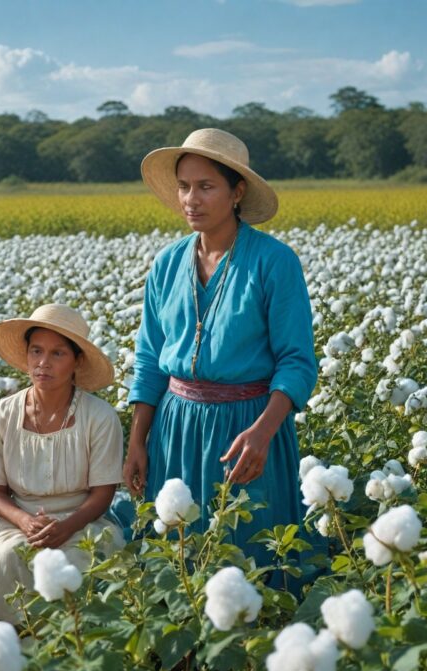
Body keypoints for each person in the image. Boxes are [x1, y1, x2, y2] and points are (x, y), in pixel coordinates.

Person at [122, 128, 318, 584]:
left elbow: (296, 362)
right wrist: (137, 441)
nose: (191, 199)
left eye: (206, 186)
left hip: (247, 430)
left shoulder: (274, 261)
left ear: (237, 192)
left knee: (252, 564)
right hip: (175, 430)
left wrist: (263, 433)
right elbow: (149, 358)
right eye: (184, 186)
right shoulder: (167, 263)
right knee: (179, 563)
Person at [0, 303, 123, 624]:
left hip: (84, 522)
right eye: (36, 351)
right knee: (5, 560)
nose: (43, 362)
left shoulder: (100, 417)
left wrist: (67, 527)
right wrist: (24, 521)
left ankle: (80, 646)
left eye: (58, 353)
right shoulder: (1, 415)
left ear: (77, 361)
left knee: (85, 564)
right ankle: (8, 648)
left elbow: (102, 494)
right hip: (20, 523)